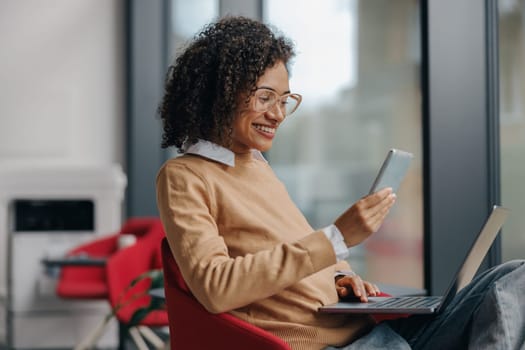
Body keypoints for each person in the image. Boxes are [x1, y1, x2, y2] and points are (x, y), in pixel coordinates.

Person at [156, 16, 525, 350]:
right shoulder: (185, 177)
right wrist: (338, 238)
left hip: (373, 332)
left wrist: (340, 277)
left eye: (285, 99)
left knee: (514, 277)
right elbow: (216, 288)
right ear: (218, 95)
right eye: (265, 97)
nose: (278, 114)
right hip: (340, 345)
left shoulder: (255, 165)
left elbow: (290, 251)